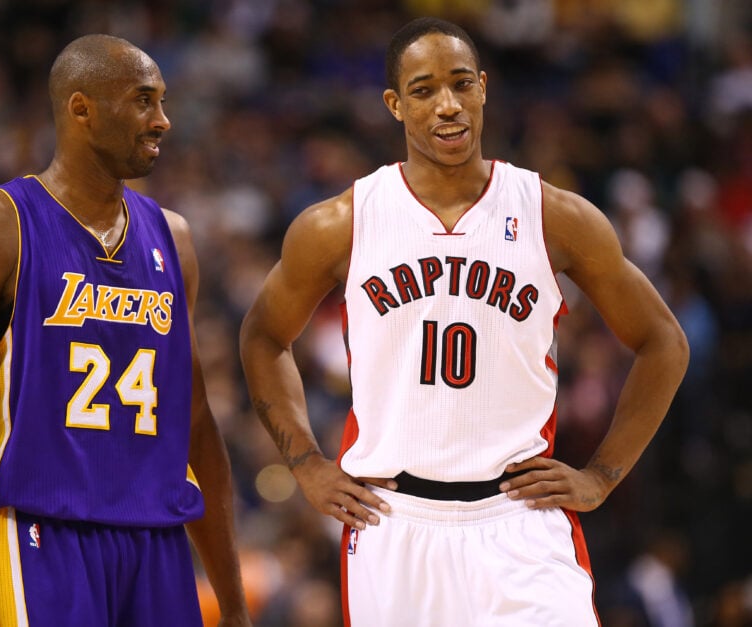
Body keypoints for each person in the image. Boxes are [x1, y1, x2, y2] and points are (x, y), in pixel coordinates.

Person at [239, 17, 689, 626]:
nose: (446, 105)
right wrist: (306, 464)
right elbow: (264, 337)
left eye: (459, 84)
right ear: (395, 105)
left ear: (483, 87)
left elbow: (662, 341)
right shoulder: (341, 222)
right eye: (423, 90)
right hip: (393, 523)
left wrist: (602, 475)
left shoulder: (553, 215)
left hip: (518, 521)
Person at [0, 34, 250, 627]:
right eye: (144, 101)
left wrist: (232, 603)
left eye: (163, 102)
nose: (163, 120)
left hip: (157, 539)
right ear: (81, 109)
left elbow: (195, 421)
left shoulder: (173, 239)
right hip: (42, 534)